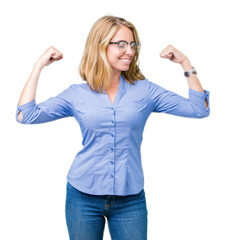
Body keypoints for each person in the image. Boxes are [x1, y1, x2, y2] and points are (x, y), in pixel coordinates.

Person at [15, 15, 210, 240]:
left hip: (130, 199)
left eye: (133, 44)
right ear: (100, 45)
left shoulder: (146, 91)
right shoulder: (77, 94)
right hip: (82, 197)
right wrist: (39, 66)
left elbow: (199, 109)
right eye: (122, 44)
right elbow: (25, 115)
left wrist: (185, 63)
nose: (130, 51)